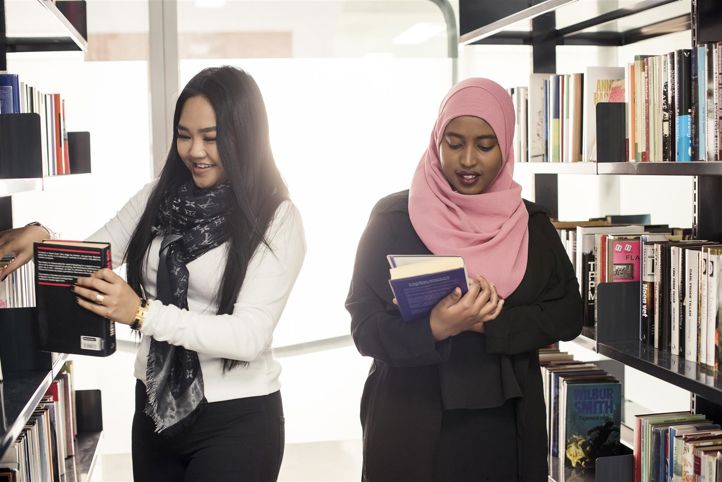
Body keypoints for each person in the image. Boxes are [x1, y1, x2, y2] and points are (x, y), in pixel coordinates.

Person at [0, 66, 305, 482]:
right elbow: (92, 258)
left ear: (244, 138)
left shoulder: (277, 218)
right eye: (184, 135)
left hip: (237, 419)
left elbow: (248, 336)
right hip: (154, 409)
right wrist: (43, 236)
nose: (195, 151)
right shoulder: (157, 196)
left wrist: (143, 314)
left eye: (211, 138)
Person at [345, 78, 582, 482]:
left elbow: (567, 315)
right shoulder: (392, 219)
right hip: (408, 418)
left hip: (504, 425)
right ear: (436, 140)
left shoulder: (531, 225)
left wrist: (486, 322)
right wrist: (437, 327)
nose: (468, 159)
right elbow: (365, 328)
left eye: (485, 145)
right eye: (453, 143)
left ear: (505, 146)